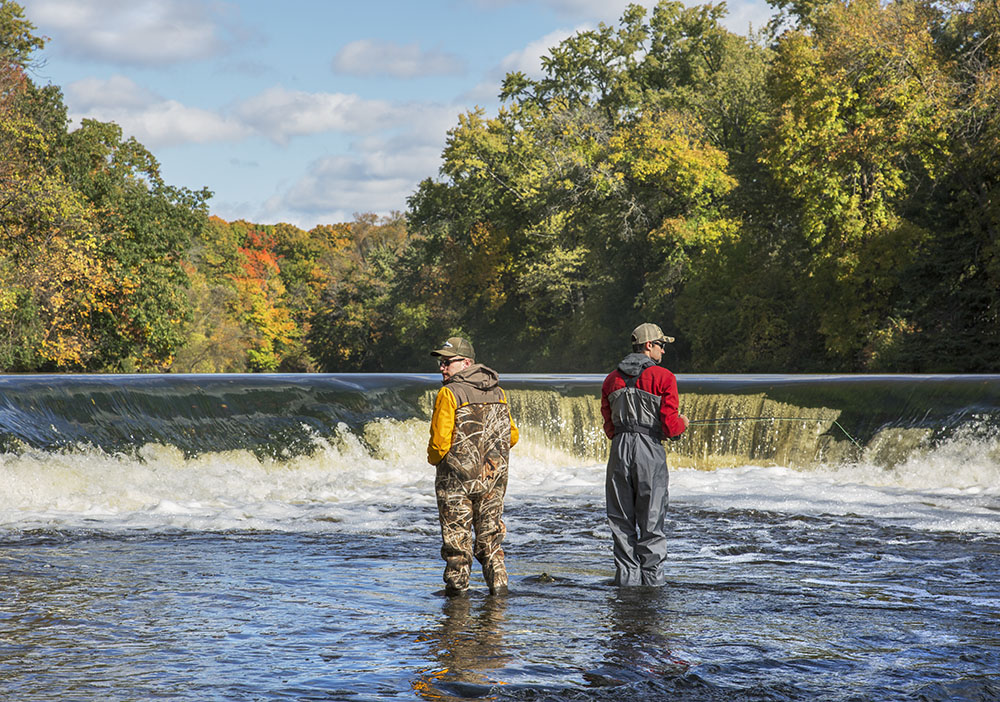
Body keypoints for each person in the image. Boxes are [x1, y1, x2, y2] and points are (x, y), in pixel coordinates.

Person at [427, 336, 519, 596]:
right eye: (441, 363)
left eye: (447, 363)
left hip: (456, 483)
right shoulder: (498, 392)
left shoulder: (449, 393)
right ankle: (499, 598)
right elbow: (512, 436)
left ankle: (456, 606)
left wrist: (436, 461)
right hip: (493, 481)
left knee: (457, 545)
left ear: (466, 362)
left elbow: (439, 444)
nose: (442, 368)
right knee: (490, 542)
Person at [600, 323, 688, 586]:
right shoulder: (664, 377)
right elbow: (671, 427)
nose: (663, 350)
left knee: (620, 521)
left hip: (619, 450)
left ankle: (626, 585)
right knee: (651, 522)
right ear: (649, 346)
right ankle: (653, 587)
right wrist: (683, 422)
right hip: (649, 449)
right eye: (661, 345)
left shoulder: (610, 380)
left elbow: (609, 426)